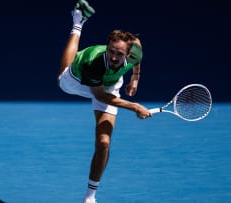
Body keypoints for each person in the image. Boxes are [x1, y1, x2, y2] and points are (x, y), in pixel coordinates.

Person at [57, 1, 152, 202]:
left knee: (103, 143)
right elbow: (100, 96)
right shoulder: (94, 62)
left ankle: (90, 196)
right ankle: (78, 22)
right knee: (62, 76)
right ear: (107, 47)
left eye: (120, 53)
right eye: (111, 51)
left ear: (128, 54)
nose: (115, 57)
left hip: (108, 85)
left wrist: (135, 78)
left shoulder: (135, 52)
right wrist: (134, 106)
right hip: (77, 80)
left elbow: (137, 46)